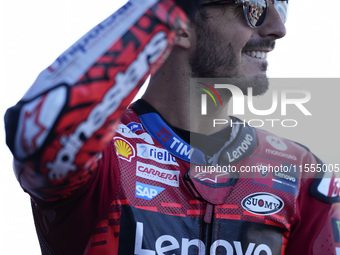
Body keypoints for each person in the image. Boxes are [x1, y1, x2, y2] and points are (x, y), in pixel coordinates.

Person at [4, 0, 340, 254]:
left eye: (280, 4)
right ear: (180, 25)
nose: (278, 28)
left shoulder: (298, 173)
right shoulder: (103, 155)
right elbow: (36, 131)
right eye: (253, 7)